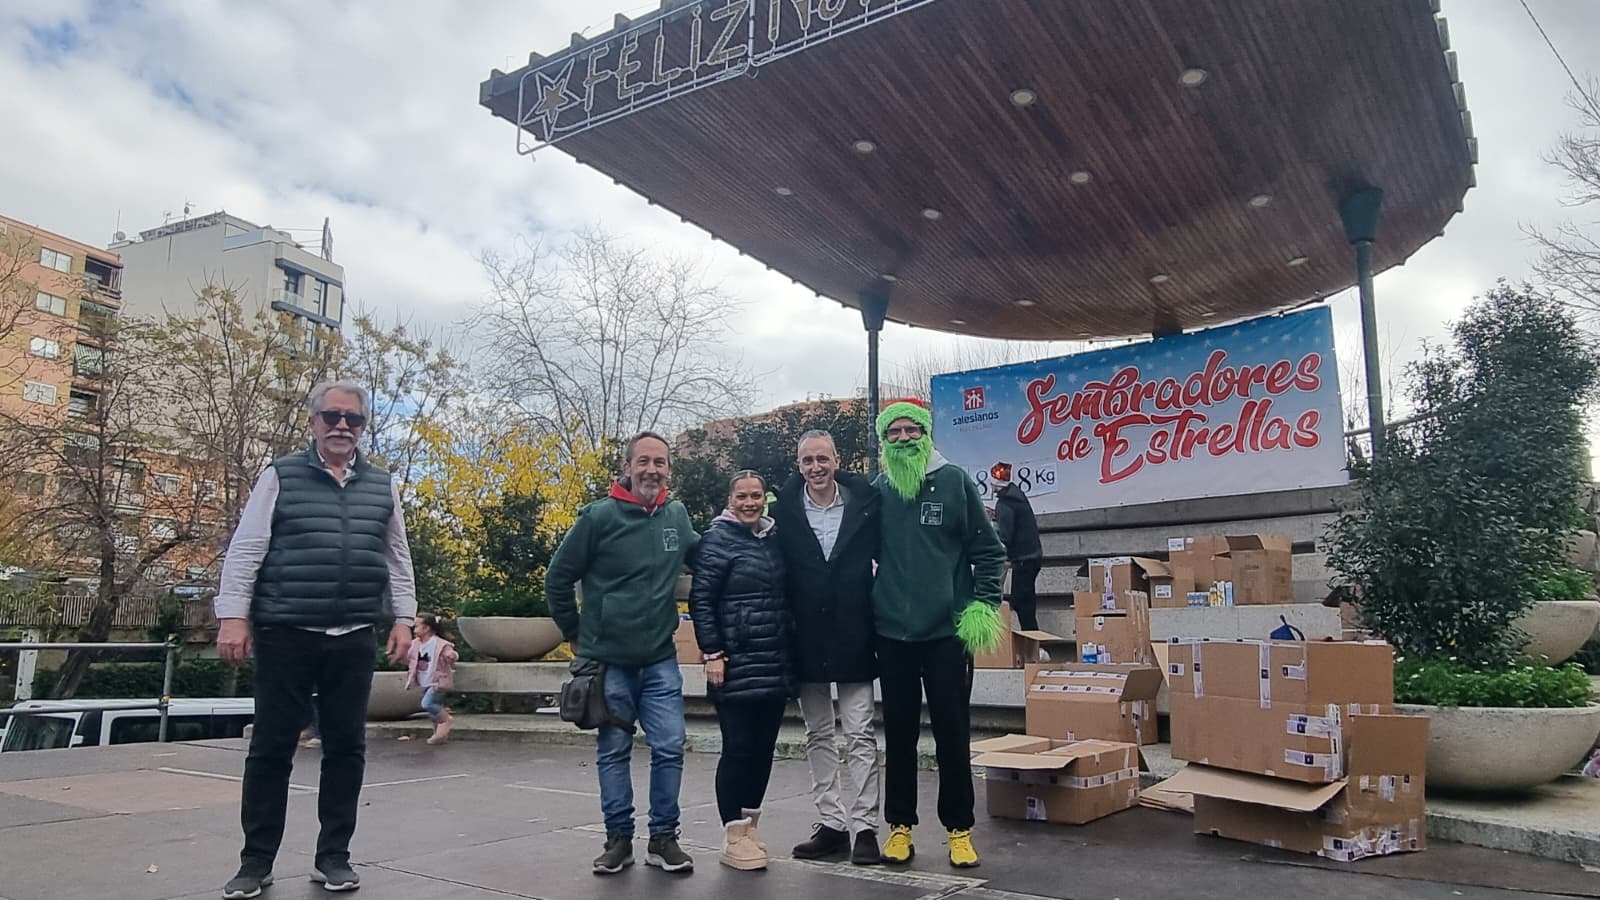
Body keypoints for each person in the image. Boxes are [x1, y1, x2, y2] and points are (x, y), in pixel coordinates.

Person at [215, 381, 417, 898]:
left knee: (347, 748)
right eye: (332, 417)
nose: (343, 427)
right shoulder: (279, 476)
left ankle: (334, 857)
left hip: (352, 635)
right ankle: (255, 862)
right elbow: (246, 550)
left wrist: (403, 619)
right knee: (271, 749)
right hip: (286, 632)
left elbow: (398, 559)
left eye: (354, 419)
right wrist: (233, 616)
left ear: (364, 426)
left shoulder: (383, 485)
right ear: (313, 422)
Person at [546, 431, 701, 877]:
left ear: (669, 470)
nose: (652, 470)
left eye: (661, 463)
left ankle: (663, 838)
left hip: (658, 659)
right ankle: (618, 840)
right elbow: (558, 577)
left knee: (670, 746)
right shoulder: (598, 518)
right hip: (608, 662)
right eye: (644, 462)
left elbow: (705, 555)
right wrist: (574, 631)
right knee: (614, 750)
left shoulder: (676, 516)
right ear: (628, 467)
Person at [871, 398, 1006, 870]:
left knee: (953, 734)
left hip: (946, 634)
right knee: (899, 735)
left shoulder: (953, 482)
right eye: (894, 433)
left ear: (926, 435)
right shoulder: (879, 491)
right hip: (892, 635)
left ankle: (959, 830)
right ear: (884, 441)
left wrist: (982, 605)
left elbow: (990, 551)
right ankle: (900, 827)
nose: (904, 438)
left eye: (912, 430)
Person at [771, 430, 883, 865]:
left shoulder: (867, 504)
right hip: (806, 639)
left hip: (856, 634)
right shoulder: (783, 512)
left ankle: (866, 827)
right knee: (818, 733)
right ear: (798, 466)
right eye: (807, 461)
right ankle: (832, 824)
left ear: (837, 459)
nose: (815, 468)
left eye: (822, 459)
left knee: (860, 733)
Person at [688, 470, 795, 871]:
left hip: (773, 662)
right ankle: (732, 831)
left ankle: (750, 827)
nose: (750, 503)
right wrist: (712, 652)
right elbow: (702, 600)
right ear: (730, 500)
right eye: (742, 497)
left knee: (764, 750)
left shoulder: (772, 538)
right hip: (734, 663)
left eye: (756, 496)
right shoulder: (716, 540)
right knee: (738, 749)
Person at [992, 465, 1043, 632]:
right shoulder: (1018, 498)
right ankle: (1032, 639)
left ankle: (1032, 641)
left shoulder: (1004, 504)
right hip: (1032, 556)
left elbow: (1006, 535)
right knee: (1025, 601)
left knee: (1021, 601)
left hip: (1023, 558)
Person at [405, 613, 458, 745]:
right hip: (424, 681)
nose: (414, 629)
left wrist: (451, 655)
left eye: (417, 626)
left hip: (438, 682)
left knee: (427, 704)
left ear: (426, 628)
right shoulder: (415, 644)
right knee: (432, 711)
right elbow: (408, 657)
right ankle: (439, 734)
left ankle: (446, 720)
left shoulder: (439, 643)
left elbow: (449, 653)